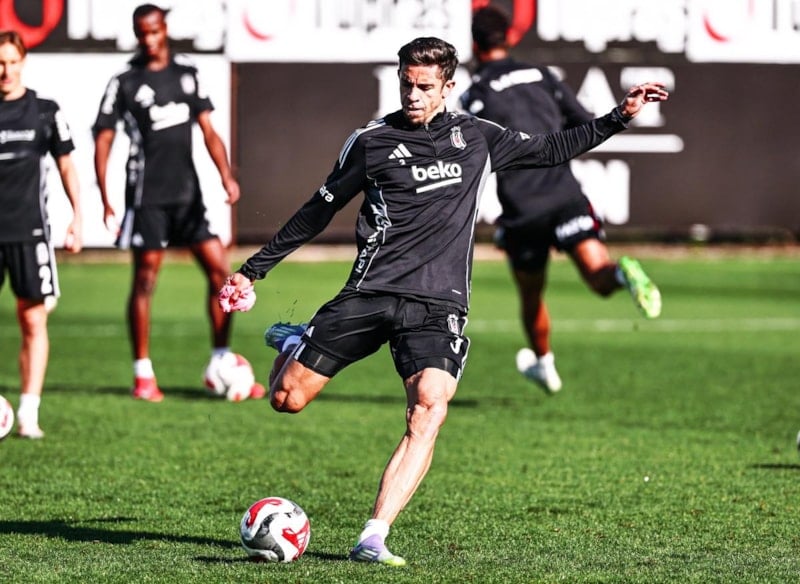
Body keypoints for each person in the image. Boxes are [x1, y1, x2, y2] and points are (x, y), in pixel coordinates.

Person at [222, 37, 668, 565]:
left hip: (438, 303)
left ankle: (373, 535)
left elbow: (552, 148)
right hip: (371, 291)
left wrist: (620, 115)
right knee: (286, 399)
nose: (413, 94)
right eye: (406, 84)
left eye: (424, 86)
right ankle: (297, 342)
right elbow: (318, 210)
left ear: (448, 86)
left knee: (429, 406)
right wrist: (253, 271)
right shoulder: (370, 141)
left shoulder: (477, 136)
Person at [460, 5, 662, 394]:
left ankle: (544, 363)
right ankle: (623, 275)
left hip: (522, 208)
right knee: (598, 276)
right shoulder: (542, 75)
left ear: (475, 44)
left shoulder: (475, 93)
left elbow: (477, 153)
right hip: (564, 193)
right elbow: (583, 122)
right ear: (509, 37)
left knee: (531, 295)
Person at [92, 4, 258, 402]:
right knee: (145, 279)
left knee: (220, 274)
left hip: (188, 195)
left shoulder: (187, 73)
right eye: (142, 33)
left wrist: (226, 175)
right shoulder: (124, 82)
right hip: (147, 196)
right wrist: (105, 196)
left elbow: (209, 130)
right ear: (137, 34)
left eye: (154, 31)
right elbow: (104, 138)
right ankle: (143, 374)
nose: (149, 39)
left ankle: (220, 360)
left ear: (164, 29)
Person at [0, 30, 82, 438]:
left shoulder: (45, 112)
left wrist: (77, 217)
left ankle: (28, 414)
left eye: (12, 62)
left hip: (29, 234)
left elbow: (67, 166)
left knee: (33, 320)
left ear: (23, 62)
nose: (5, 71)